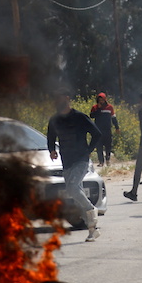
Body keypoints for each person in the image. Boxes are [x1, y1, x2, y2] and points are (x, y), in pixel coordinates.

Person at [47, 88, 103, 241]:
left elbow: (97, 134)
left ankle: (92, 209)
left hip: (81, 160)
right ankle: (92, 229)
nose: (56, 102)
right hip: (66, 161)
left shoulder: (79, 117)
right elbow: (50, 136)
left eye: (59, 98)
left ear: (67, 98)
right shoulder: (55, 119)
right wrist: (52, 150)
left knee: (72, 188)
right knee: (74, 193)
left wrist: (89, 151)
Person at [89, 92, 119, 166]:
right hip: (98, 130)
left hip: (107, 129)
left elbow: (113, 118)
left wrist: (117, 127)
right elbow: (92, 116)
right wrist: (98, 109)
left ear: (105, 99)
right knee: (99, 146)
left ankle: (108, 160)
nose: (101, 101)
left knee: (108, 145)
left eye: (102, 100)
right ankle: (101, 162)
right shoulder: (95, 107)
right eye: (99, 100)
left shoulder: (109, 107)